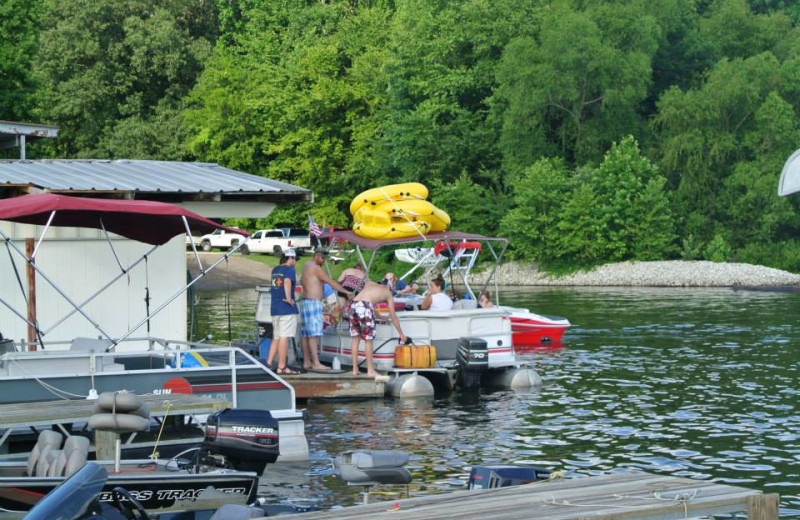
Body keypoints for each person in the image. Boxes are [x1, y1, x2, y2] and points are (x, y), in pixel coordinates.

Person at [300, 249, 353, 370]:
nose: (324, 261)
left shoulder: (305, 266)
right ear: (317, 256)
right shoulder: (316, 268)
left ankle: (306, 362)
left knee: (305, 334)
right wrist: (345, 291)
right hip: (313, 303)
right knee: (313, 334)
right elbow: (330, 282)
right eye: (323, 258)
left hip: (305, 302)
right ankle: (316, 363)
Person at [349, 281, 407, 378]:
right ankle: (370, 371)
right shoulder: (388, 293)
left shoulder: (371, 286)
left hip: (353, 305)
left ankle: (355, 369)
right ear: (390, 287)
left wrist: (378, 315)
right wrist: (401, 334)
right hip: (365, 306)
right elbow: (393, 317)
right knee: (368, 339)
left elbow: (365, 301)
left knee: (356, 339)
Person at [266, 249, 299, 374]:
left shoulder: (275, 270)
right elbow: (287, 281)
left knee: (276, 337)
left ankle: (268, 363)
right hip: (286, 309)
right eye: (294, 259)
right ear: (290, 258)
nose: (295, 262)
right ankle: (282, 367)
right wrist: (289, 299)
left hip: (275, 308)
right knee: (284, 337)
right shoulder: (290, 270)